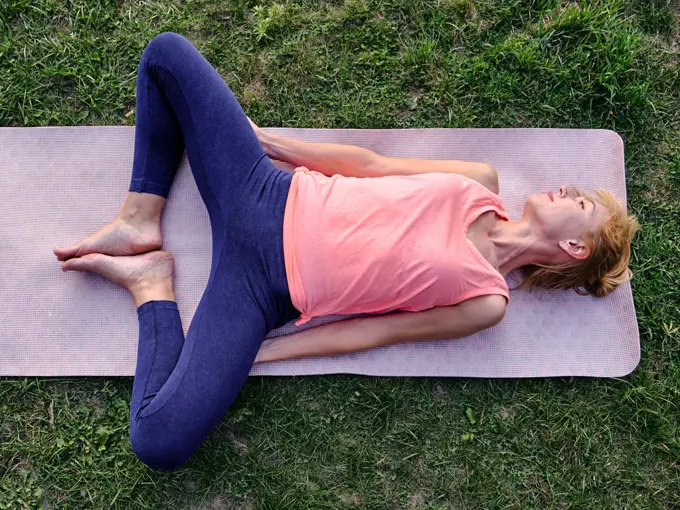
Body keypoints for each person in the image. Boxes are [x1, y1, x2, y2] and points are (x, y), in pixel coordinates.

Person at [53, 32, 639, 470]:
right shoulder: (480, 181)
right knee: (166, 55)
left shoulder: (487, 302)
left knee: (158, 440)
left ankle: (150, 283)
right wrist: (262, 140)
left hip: (261, 291)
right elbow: (371, 166)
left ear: (571, 246)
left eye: (581, 203)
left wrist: (262, 354)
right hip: (263, 191)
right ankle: (139, 217)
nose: (566, 189)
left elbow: (370, 333)